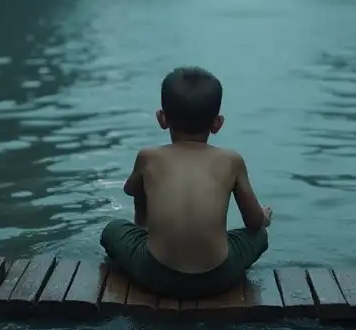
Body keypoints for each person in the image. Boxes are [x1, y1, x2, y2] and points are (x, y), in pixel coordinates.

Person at [100, 67, 271, 300]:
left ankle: (146, 237)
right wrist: (264, 217)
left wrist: (142, 222)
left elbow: (131, 189)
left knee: (112, 229)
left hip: (155, 275)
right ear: (217, 123)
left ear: (162, 119)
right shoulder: (232, 160)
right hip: (218, 278)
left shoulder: (148, 157)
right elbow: (253, 223)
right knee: (260, 236)